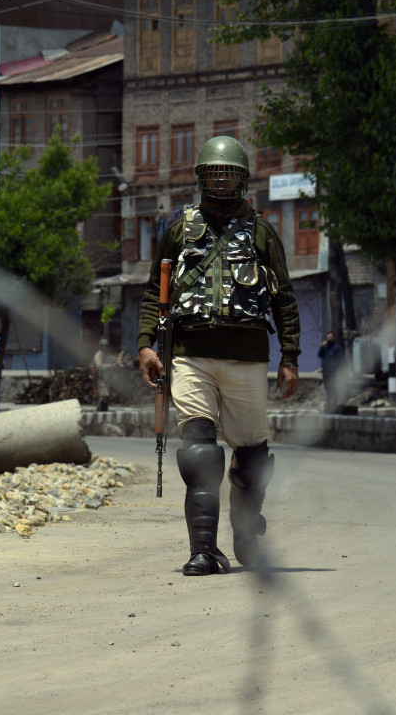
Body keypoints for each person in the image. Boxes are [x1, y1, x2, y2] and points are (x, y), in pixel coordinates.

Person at [138, 135, 300, 577]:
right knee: (199, 452)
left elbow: (284, 296)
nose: (222, 180)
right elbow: (156, 289)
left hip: (246, 358)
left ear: (242, 180)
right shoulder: (179, 227)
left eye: (229, 172)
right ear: (202, 177)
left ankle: (246, 530)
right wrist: (146, 344)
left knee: (250, 455)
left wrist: (291, 356)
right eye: (215, 172)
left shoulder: (262, 232)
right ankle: (204, 552)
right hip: (189, 355)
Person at [318, 331, 345, 413]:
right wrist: (322, 347)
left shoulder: (337, 348)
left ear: (333, 338)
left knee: (332, 387)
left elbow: (340, 360)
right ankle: (329, 404)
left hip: (333, 372)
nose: (329, 339)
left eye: (331, 337)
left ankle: (335, 402)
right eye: (328, 337)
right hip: (325, 372)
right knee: (327, 388)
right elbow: (320, 355)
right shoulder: (325, 347)